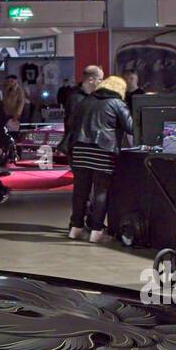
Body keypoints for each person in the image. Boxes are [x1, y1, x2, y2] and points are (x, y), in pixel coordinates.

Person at [65, 74, 132, 242]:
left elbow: (71, 123)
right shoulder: (116, 103)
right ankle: (96, 232)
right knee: (101, 190)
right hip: (103, 149)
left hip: (80, 149)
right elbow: (131, 127)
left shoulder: (85, 101)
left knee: (80, 191)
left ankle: (75, 228)